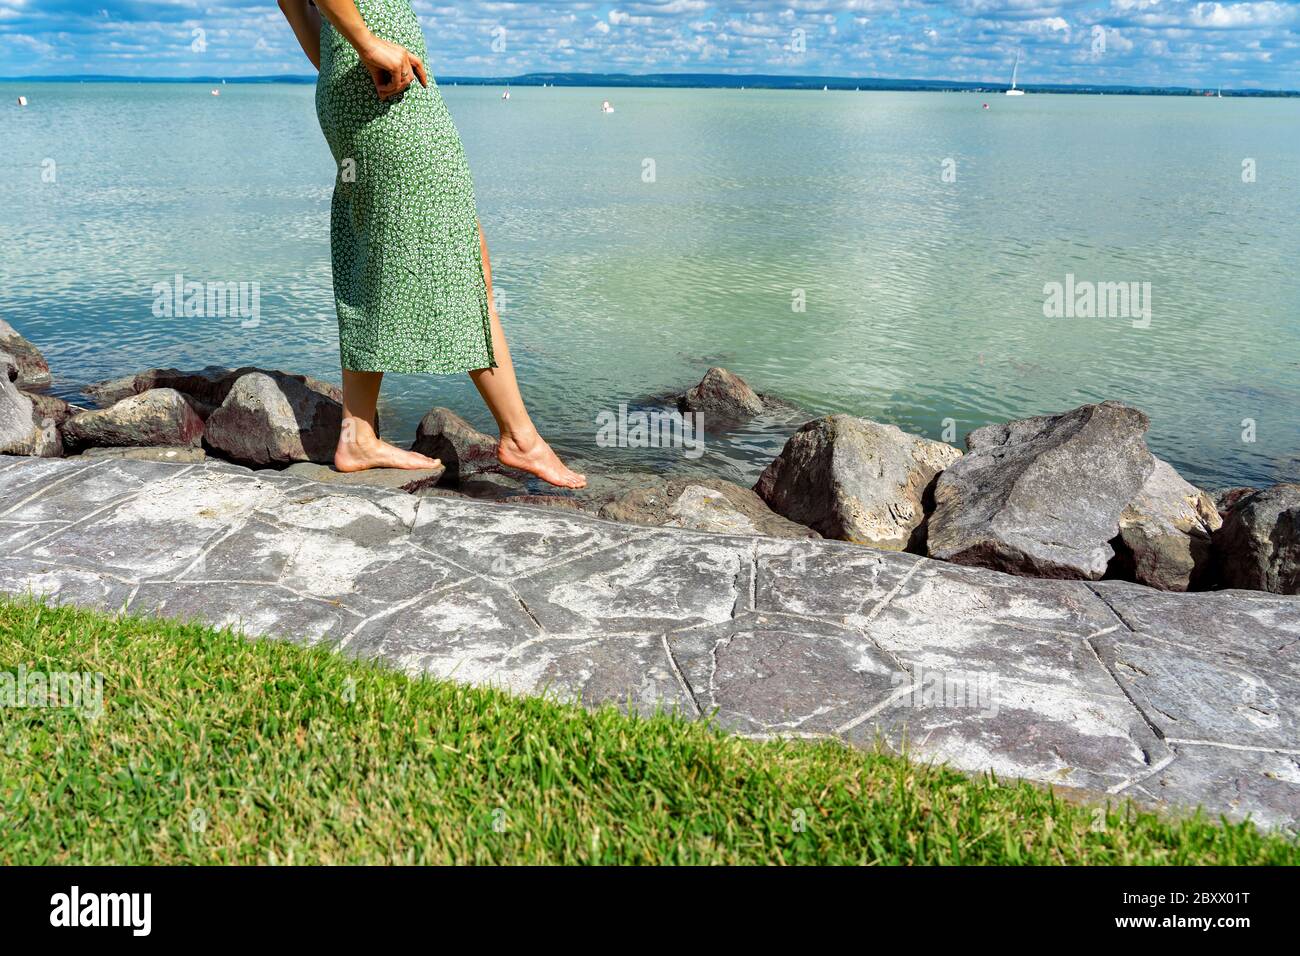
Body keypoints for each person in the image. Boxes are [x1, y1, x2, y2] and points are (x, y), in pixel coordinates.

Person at [277, 0, 585, 487]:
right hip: (388, 92)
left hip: (365, 83)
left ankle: (358, 431)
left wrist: (351, 51)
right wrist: (368, 43)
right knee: (458, 262)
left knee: (391, 258)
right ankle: (520, 439)